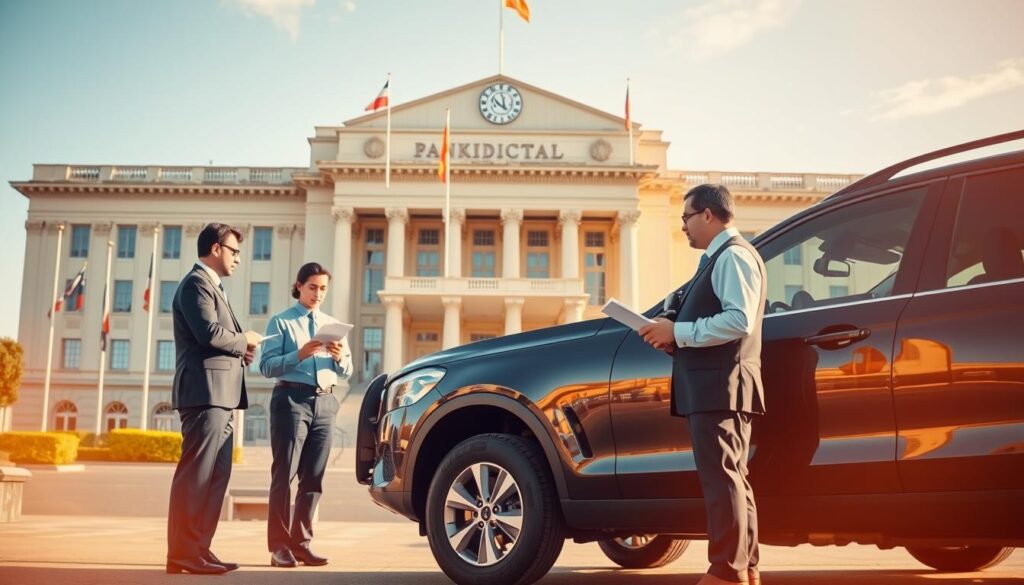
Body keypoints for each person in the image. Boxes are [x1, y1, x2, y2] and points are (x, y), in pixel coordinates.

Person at [639, 184, 767, 585]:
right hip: (718, 383)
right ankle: (744, 568)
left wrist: (678, 332)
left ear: (708, 215)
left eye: (686, 218)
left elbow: (737, 321)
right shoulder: (721, 259)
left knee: (723, 479)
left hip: (721, 385)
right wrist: (672, 334)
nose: (683, 227)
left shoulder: (733, 257)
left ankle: (726, 571)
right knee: (732, 477)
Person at [167, 223, 262, 575]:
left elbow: (219, 340)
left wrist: (242, 353)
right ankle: (182, 553)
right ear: (215, 248)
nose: (238, 257)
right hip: (204, 395)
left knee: (216, 476)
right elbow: (208, 334)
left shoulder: (214, 287)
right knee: (196, 476)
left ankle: (198, 550)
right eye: (234, 250)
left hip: (222, 396)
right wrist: (246, 339)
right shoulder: (195, 284)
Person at [259, 262, 353, 567]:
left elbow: (349, 369)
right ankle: (278, 547)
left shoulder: (332, 324)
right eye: (312, 287)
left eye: (323, 288)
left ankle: (301, 544)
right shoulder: (281, 322)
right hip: (291, 399)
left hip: (325, 402)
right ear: (299, 286)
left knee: (313, 478)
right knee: (284, 475)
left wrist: (340, 358)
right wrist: (299, 354)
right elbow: (266, 366)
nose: (318, 293)